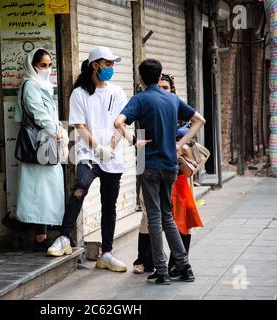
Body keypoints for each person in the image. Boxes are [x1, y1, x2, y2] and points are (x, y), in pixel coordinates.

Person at [114, 59, 206, 285]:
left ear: (141, 78)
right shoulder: (173, 99)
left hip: (150, 166)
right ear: (159, 76)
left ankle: (162, 271)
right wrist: (179, 143)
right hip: (171, 167)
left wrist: (133, 140)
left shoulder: (140, 98)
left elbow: (118, 122)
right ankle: (185, 267)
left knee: (154, 218)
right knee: (168, 216)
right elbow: (199, 120)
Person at [47, 47, 134, 272]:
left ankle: (106, 253)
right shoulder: (80, 94)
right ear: (95, 65)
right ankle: (64, 237)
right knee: (79, 188)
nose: (111, 69)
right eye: (108, 64)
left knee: (109, 205)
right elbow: (79, 126)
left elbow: (121, 124)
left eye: (113, 64)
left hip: (112, 157)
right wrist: (98, 149)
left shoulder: (117, 92)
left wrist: (110, 147)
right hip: (88, 154)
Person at [3, 48, 68, 252]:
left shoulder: (44, 85)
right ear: (33, 66)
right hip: (39, 143)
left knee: (45, 192)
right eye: (43, 65)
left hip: (46, 143)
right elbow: (39, 114)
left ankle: (39, 235)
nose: (47, 69)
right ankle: (17, 220)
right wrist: (57, 130)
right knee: (39, 192)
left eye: (49, 65)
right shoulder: (31, 85)